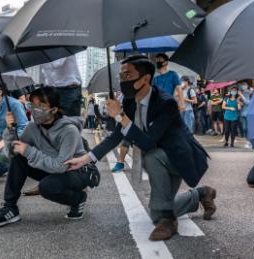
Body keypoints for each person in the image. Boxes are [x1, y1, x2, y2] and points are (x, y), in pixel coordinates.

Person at [65, 55, 217, 241]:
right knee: (156, 213)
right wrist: (85, 159)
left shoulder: (166, 103)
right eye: (120, 76)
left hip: (178, 158)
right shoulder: (129, 102)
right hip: (158, 157)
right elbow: (116, 137)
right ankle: (201, 194)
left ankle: (169, 222)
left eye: (127, 75)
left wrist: (120, 116)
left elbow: (147, 142)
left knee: (151, 156)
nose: (122, 81)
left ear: (145, 79)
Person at [0, 87, 89, 228]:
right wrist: (10, 130)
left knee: (47, 187)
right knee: (18, 158)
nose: (36, 109)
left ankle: (78, 198)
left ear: (54, 109)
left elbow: (61, 166)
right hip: (54, 169)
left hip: (75, 172)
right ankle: (10, 207)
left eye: (41, 105)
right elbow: (11, 154)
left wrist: (28, 151)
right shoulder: (32, 128)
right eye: (33, 105)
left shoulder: (69, 130)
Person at [238, 81, 252, 148]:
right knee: (244, 128)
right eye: (242, 85)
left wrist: (241, 95)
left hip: (249, 114)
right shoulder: (242, 94)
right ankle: (247, 141)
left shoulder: (251, 94)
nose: (243, 86)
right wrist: (239, 103)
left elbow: (247, 102)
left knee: (249, 128)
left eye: (245, 85)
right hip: (243, 114)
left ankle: (250, 142)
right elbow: (239, 103)